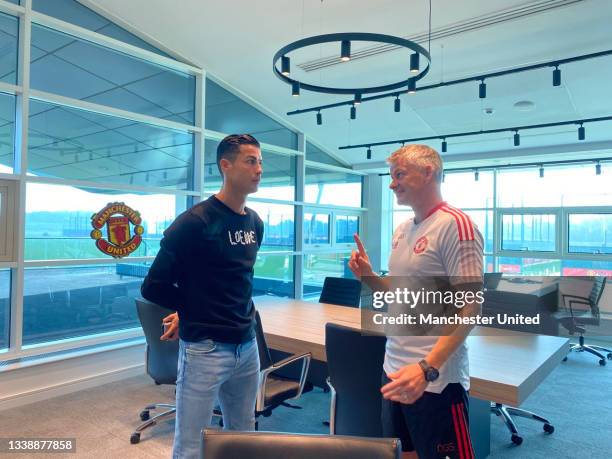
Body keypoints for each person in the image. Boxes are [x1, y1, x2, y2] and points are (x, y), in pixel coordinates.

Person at [349, 144, 483, 459]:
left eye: (399, 175)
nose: (392, 183)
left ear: (428, 172)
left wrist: (427, 369)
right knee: (403, 454)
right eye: (391, 176)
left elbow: (470, 307)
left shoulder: (456, 225)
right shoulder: (403, 229)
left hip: (434, 381)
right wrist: (368, 276)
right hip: (394, 370)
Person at [141, 134, 264, 459]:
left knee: (242, 438)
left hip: (247, 346)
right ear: (226, 165)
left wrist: (189, 308)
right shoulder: (194, 223)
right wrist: (193, 309)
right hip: (206, 351)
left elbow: (231, 281)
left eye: (260, 162)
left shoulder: (255, 222)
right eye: (251, 161)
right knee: (191, 445)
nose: (259, 169)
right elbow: (153, 286)